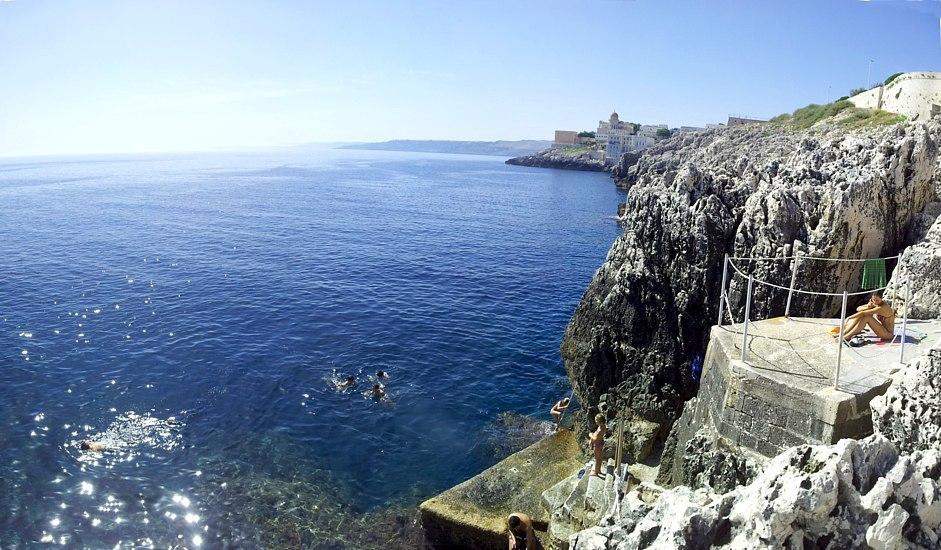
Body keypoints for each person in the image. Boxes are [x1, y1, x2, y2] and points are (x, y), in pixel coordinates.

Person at [589, 413, 606, 478]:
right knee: (599, 458)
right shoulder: (603, 426)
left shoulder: (600, 430)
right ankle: (598, 470)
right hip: (600, 443)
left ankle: (596, 472)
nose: (596, 422)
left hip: (597, 445)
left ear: (601, 422)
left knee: (597, 459)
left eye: (597, 421)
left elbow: (595, 439)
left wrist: (590, 435)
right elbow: (597, 435)